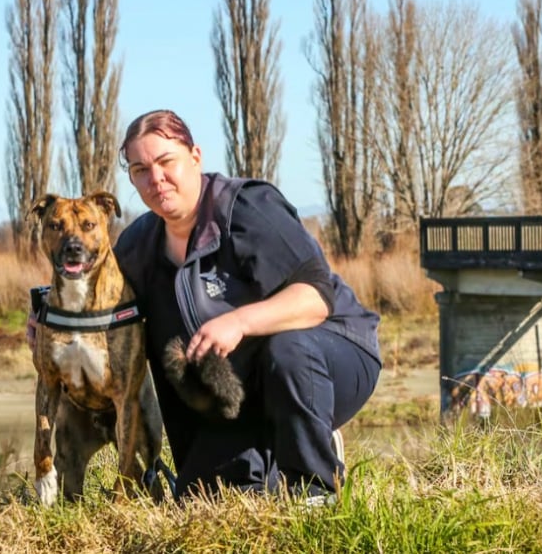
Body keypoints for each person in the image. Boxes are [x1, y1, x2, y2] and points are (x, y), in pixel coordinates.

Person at [110, 109, 381, 503]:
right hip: (238, 392)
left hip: (332, 355)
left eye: (166, 162)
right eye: (140, 169)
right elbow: (96, 294)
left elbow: (316, 296)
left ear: (195, 156)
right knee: (203, 496)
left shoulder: (248, 209)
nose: (156, 179)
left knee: (286, 347)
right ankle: (272, 453)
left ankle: (317, 486)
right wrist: (44, 315)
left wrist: (239, 321)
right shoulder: (138, 244)